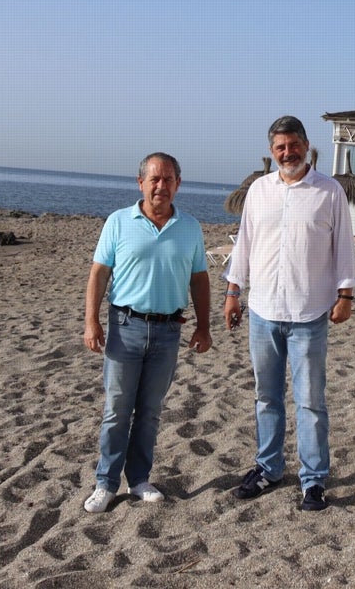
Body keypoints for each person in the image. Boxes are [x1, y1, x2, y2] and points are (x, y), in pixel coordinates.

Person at [224, 116, 355, 511]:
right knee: (266, 397)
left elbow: (344, 248)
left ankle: (313, 480)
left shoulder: (330, 192)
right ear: (272, 151)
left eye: (294, 145)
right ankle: (268, 468)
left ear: (306, 145)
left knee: (310, 401)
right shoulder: (259, 191)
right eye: (280, 147)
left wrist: (346, 295)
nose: (288, 153)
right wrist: (233, 291)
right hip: (263, 311)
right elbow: (244, 245)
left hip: (309, 312)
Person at [82, 152, 212, 513]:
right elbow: (98, 274)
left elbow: (199, 279)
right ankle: (106, 483)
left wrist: (204, 325)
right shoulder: (119, 221)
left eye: (168, 179)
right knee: (116, 411)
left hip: (169, 331)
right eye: (154, 179)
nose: (161, 186)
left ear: (178, 184)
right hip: (125, 328)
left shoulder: (190, 227)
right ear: (140, 183)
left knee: (150, 412)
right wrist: (91, 321)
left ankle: (138, 479)